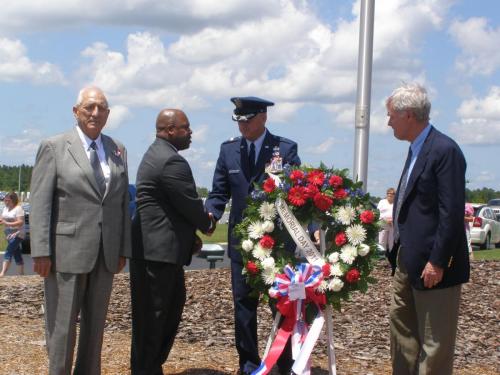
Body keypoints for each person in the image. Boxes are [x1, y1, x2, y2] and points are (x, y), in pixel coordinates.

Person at [30, 86, 131, 374]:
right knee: (62, 328)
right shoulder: (54, 146)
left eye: (101, 108)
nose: (95, 113)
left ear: (108, 115)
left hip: (106, 253)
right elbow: (40, 202)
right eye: (89, 107)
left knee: (95, 327)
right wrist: (40, 251)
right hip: (65, 253)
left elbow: (122, 203)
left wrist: (123, 248)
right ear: (76, 111)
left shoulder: (118, 149)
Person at [205, 96, 300, 375]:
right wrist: (210, 213)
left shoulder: (285, 149)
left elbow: (294, 191)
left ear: (263, 117)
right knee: (243, 306)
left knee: (280, 304)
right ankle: (248, 363)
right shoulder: (228, 150)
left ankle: (284, 363)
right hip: (241, 242)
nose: (243, 126)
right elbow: (218, 192)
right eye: (239, 121)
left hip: (276, 243)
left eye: (247, 120)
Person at [386, 83, 470, 375]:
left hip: (433, 266)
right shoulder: (416, 150)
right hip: (407, 259)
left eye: (391, 116)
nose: (388, 122)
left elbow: (451, 213)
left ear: (408, 115)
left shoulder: (444, 150)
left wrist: (438, 261)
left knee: (434, 343)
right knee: (402, 334)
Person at [127, 109, 214, 375]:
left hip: (155, 251)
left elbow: (170, 209)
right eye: (186, 128)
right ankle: (147, 369)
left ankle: (148, 367)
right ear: (169, 130)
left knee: (157, 317)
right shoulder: (171, 162)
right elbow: (188, 204)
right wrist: (207, 223)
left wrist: (190, 237)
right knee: (156, 319)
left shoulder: (156, 154)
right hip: (158, 255)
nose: (190, 133)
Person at [0, 192, 25, 276]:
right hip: (8, 234)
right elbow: (2, 219)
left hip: (17, 233)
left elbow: (20, 222)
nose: (5, 202)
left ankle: (2, 273)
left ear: (13, 200)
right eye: (5, 200)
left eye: (8, 200)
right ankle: (21, 274)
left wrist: (7, 223)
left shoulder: (18, 209)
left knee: (9, 251)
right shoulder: (5, 208)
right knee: (16, 253)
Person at [377, 187, 395, 252]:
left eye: (392, 193)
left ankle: (390, 257)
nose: (390, 195)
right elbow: (377, 213)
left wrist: (391, 220)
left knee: (391, 243)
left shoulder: (396, 203)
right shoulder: (382, 202)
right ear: (386, 194)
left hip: (392, 225)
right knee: (381, 241)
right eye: (388, 193)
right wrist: (385, 220)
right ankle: (381, 257)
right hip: (383, 224)